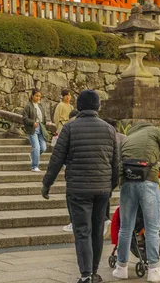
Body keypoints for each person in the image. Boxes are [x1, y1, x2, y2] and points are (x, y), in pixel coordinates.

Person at [42, 90, 118, 283]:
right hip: (102, 188)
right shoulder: (110, 129)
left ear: (79, 106)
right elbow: (116, 163)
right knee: (97, 229)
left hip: (78, 188)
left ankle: (85, 275)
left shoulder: (70, 128)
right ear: (98, 106)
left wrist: (47, 183)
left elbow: (57, 159)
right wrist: (110, 186)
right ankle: (93, 272)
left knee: (82, 231)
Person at [113, 123, 160, 283]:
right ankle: (154, 269)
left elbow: (118, 163)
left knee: (125, 228)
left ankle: (121, 268)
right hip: (148, 181)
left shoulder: (126, 139)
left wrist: (119, 183)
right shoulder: (153, 130)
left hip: (127, 182)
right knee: (152, 227)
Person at [22, 89, 49, 172]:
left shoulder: (40, 106)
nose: (38, 98)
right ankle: (34, 166)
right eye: (36, 96)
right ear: (32, 96)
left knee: (43, 148)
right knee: (36, 147)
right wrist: (32, 122)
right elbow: (24, 118)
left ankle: (33, 156)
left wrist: (46, 123)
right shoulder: (28, 106)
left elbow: (44, 117)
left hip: (41, 128)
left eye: (39, 96)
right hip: (32, 129)